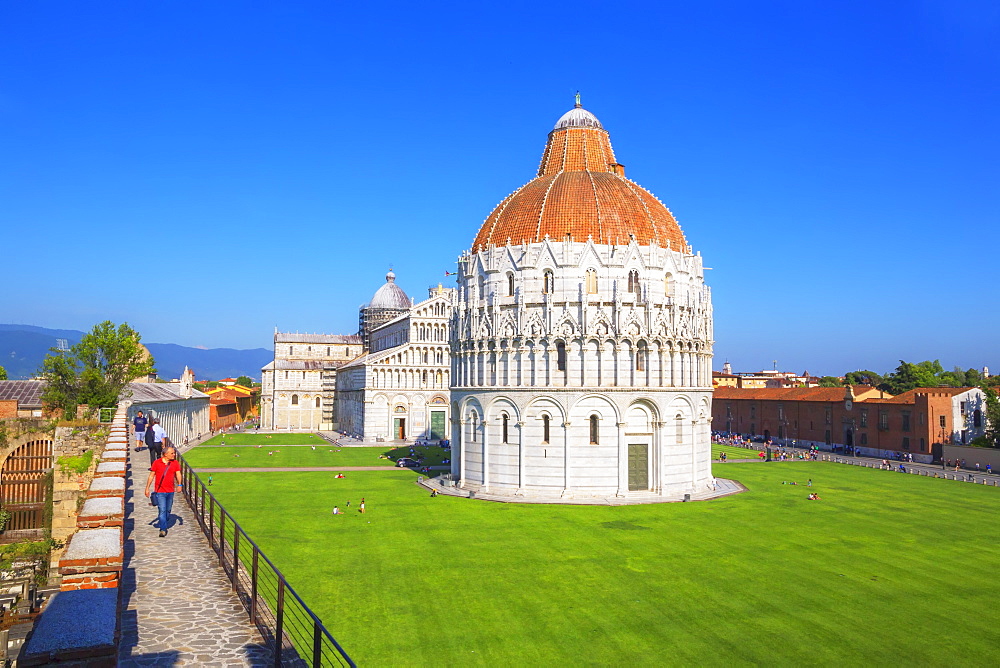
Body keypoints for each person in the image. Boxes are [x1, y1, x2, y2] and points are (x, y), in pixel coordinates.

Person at [144, 445, 182, 537]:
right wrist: (147, 488)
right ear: (165, 454)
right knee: (162, 510)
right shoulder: (157, 463)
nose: (174, 454)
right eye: (172, 453)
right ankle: (163, 529)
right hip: (160, 491)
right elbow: (151, 476)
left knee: (168, 509)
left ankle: (165, 519)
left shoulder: (175, 463)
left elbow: (178, 474)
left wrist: (180, 484)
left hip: (170, 491)